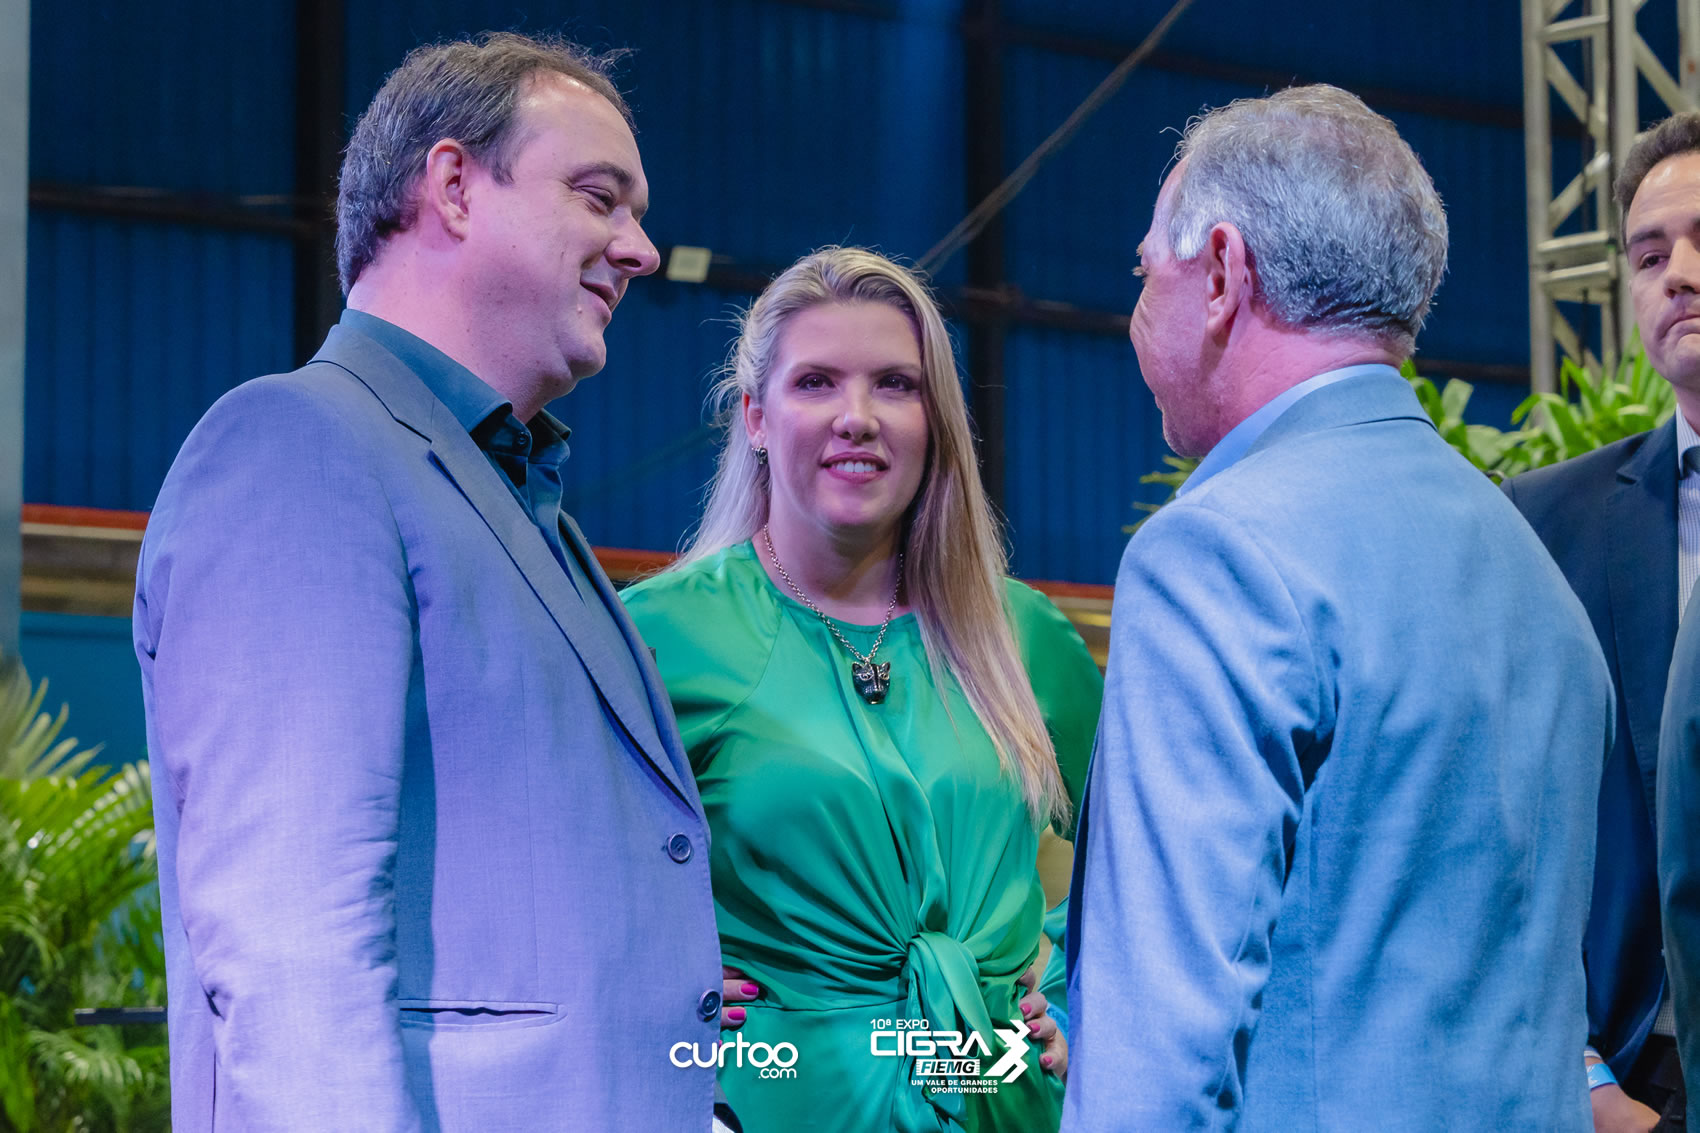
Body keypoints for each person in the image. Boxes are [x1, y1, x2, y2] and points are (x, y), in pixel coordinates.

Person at [133, 33, 727, 1131]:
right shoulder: (298, 444)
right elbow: (292, 949)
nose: (641, 250)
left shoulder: (529, 510)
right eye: (599, 198)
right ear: (453, 186)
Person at [1062, 85, 1614, 1131]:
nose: (1135, 309)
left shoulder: (1216, 552)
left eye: (1144, 273)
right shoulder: (1533, 571)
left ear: (1221, 272)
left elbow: (1158, 1054)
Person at [622, 246, 1103, 1132]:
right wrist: (649, 983)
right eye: (815, 383)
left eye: (895, 385)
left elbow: (1148, 858)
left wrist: (1077, 1002)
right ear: (756, 416)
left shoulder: (1023, 636)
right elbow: (548, 870)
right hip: (776, 1099)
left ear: (936, 419)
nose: (857, 417)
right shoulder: (661, 636)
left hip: (1003, 1097)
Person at [1506, 112, 1700, 1132]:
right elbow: (1501, 816)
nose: (1678, 275)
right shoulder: (1547, 523)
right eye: (1649, 255)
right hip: (1639, 1072)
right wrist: (1583, 1077)